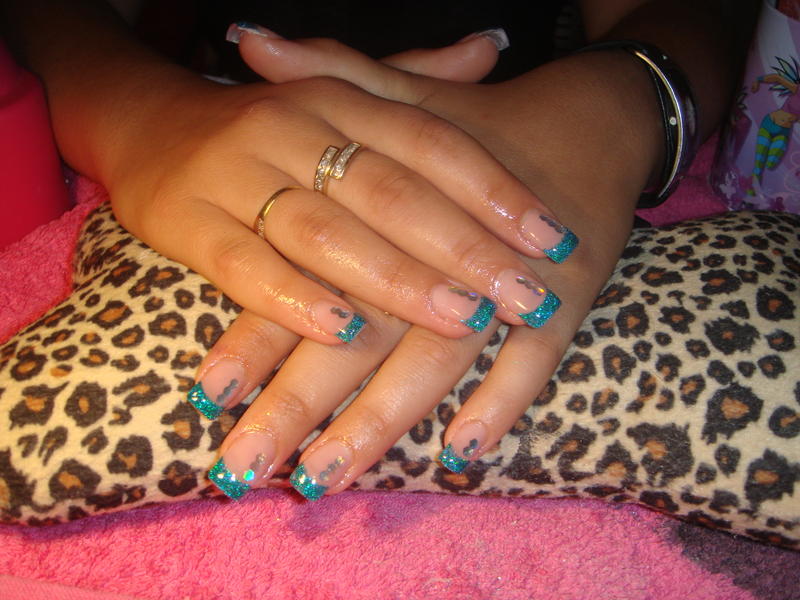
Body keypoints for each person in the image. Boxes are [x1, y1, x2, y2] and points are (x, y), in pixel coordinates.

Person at [0, 0, 757, 501]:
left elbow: (702, 13)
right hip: (232, 129)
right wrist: (145, 112)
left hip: (522, 124)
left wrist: (617, 99)